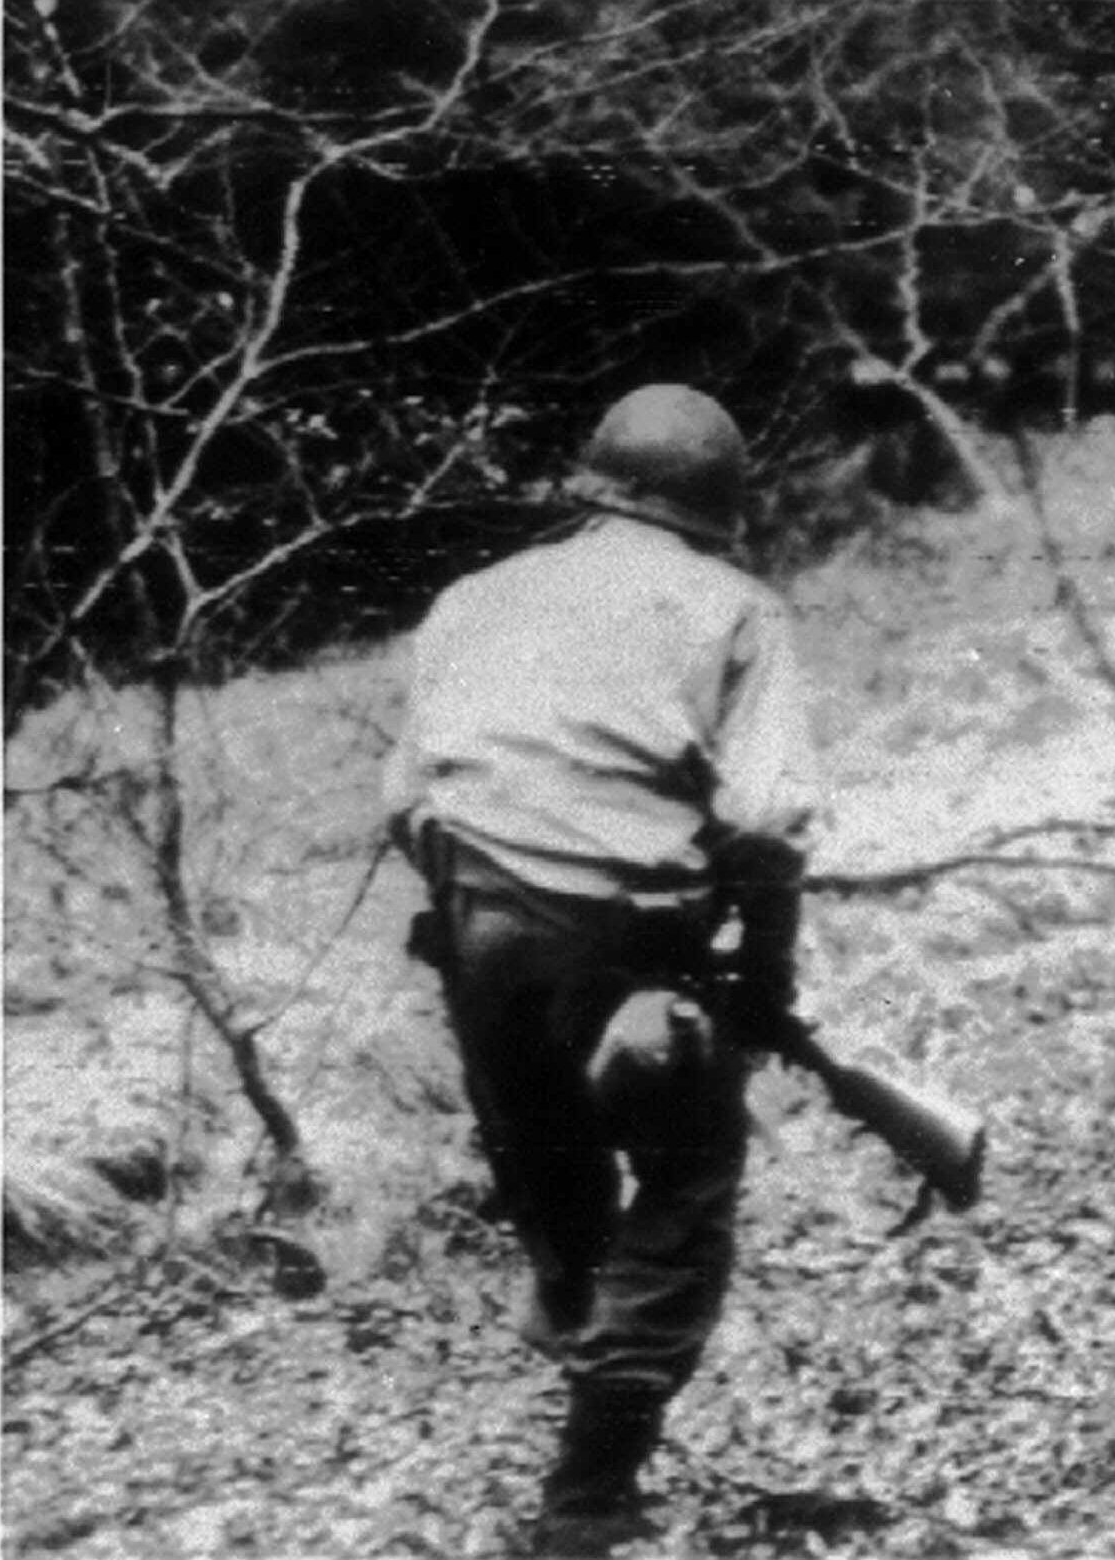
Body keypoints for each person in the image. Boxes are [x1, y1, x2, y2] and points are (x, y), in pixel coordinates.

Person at [383, 384, 816, 1553]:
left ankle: (589, 1351)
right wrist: (767, 966)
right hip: (634, 952)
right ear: (716, 505)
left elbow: (406, 800)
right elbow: (770, 820)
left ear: (594, 481)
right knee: (683, 1189)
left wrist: (490, 904)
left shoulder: (472, 600)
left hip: (480, 938)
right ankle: (588, 1498)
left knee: (558, 1190)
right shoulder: (737, 610)